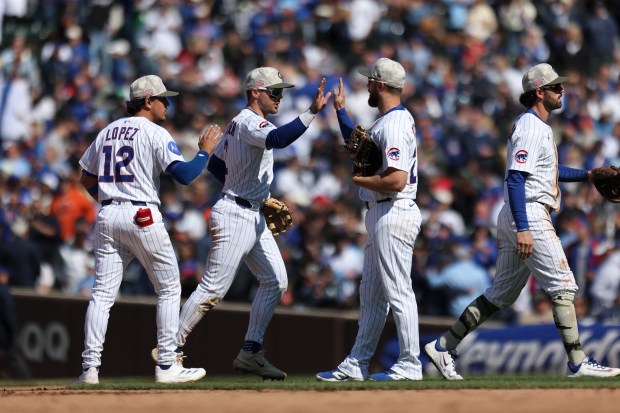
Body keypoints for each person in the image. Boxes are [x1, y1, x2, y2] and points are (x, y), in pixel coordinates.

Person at [424, 63, 620, 379]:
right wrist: (525, 228)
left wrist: (586, 174)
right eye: (556, 87)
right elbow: (516, 179)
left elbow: (548, 173)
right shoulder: (531, 126)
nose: (562, 90)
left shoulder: (536, 126)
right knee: (563, 286)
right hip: (526, 211)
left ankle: (443, 346)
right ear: (539, 92)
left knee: (501, 295)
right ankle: (577, 363)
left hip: (519, 211)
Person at [156, 67, 332, 380]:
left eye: (281, 92)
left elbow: (217, 165)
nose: (279, 97)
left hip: (251, 212)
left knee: (276, 281)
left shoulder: (237, 123)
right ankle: (169, 350)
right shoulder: (250, 122)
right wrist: (312, 111)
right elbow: (278, 138)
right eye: (274, 91)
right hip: (236, 214)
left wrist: (250, 192)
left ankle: (251, 352)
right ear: (255, 92)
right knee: (213, 288)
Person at [75, 75, 223, 384]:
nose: (167, 104)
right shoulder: (154, 132)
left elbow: (86, 178)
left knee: (101, 295)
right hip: (141, 214)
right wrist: (204, 152)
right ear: (147, 100)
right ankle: (167, 366)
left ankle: (89, 370)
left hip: (108, 214)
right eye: (162, 99)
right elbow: (183, 175)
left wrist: (110, 199)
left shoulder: (107, 131)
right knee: (169, 287)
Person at [316, 57, 423, 381]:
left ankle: (410, 363)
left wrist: (361, 181)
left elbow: (396, 179)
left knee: (398, 290)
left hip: (394, 207)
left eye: (369, 81)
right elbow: (361, 147)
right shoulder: (387, 121)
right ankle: (357, 362)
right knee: (372, 294)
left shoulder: (394, 124)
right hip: (382, 212)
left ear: (379, 85)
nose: (366, 85)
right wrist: (340, 112)